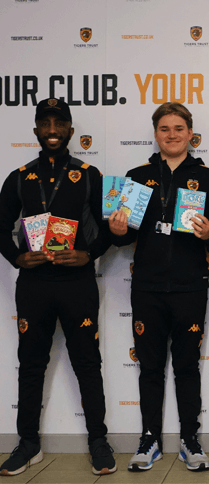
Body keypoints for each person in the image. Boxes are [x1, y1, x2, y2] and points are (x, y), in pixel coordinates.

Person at [0, 98, 116, 476]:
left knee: (88, 364)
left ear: (70, 130)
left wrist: (89, 254)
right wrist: (17, 257)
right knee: (31, 365)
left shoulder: (90, 174)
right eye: (46, 123)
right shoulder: (19, 177)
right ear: (36, 129)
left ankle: (98, 441)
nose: (52, 130)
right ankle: (28, 444)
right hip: (34, 285)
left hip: (77, 284)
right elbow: (0, 228)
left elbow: (112, 227)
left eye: (59, 123)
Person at [108, 102, 209, 472]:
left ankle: (190, 439)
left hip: (190, 286)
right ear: (156, 134)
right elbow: (125, 237)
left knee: (187, 367)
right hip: (147, 287)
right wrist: (117, 231)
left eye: (178, 128)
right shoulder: (137, 176)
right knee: (151, 368)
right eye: (164, 129)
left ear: (191, 134)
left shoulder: (208, 178)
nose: (172, 135)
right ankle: (149, 439)